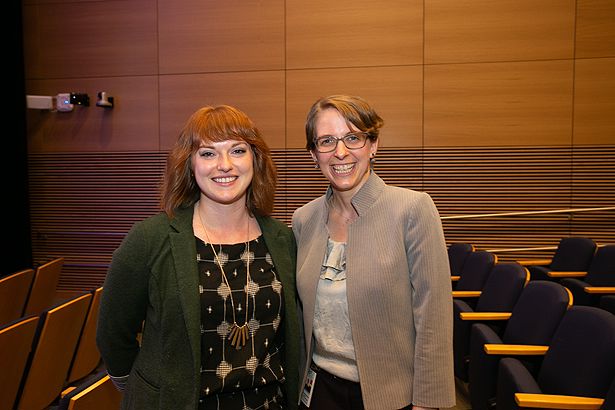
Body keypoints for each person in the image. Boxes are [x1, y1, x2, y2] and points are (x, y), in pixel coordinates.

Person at [96, 105, 300, 410]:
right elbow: (114, 335)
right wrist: (145, 390)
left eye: (237, 150)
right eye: (208, 153)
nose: (224, 165)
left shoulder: (282, 239)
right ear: (190, 163)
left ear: (255, 160)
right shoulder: (150, 239)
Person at [292, 95, 455, 410]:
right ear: (313, 155)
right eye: (326, 141)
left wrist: (427, 401)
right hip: (319, 390)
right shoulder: (304, 220)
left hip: (392, 395)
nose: (340, 152)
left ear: (373, 145)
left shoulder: (413, 209)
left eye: (352, 138)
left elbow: (433, 316)